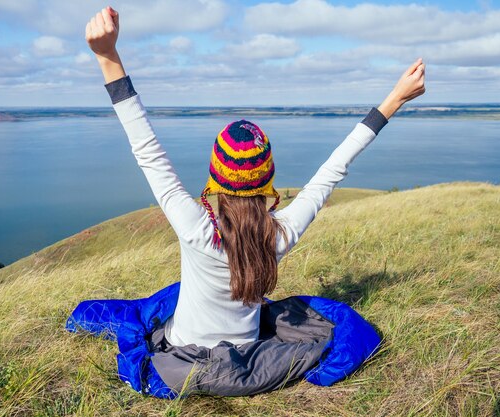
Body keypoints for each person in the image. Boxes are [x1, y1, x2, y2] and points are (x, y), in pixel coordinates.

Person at [83, 5, 425, 375]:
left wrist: (107, 56)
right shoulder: (280, 233)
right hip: (248, 350)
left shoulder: (194, 227)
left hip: (183, 353)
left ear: (215, 177)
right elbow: (334, 169)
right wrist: (395, 99)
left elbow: (146, 149)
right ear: (267, 181)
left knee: (162, 303)